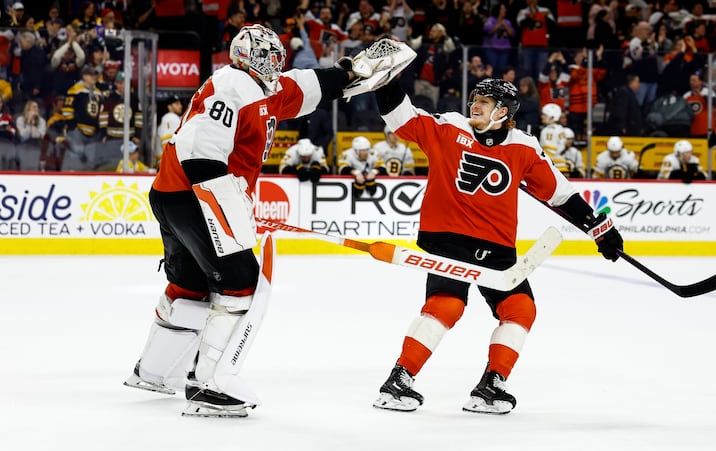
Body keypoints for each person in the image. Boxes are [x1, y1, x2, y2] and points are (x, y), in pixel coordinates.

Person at [123, 24, 372, 417]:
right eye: (268, 56)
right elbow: (200, 150)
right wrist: (228, 211)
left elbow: (308, 85)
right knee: (241, 280)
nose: (275, 62)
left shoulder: (267, 90)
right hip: (195, 191)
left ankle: (154, 370)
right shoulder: (232, 83)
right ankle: (209, 383)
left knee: (190, 283)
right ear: (248, 57)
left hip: (176, 191)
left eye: (278, 55)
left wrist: (348, 73)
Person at [370, 77, 624, 414]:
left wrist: (600, 228)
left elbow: (559, 193)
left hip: (497, 248)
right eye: (475, 99)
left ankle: (491, 385)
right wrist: (387, 79)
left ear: (503, 111)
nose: (474, 105)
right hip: (451, 241)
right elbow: (401, 117)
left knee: (520, 309)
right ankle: (399, 380)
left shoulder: (524, 145)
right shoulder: (449, 127)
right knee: (446, 306)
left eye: (484, 102)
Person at [538, 103, 569, 173]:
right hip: (557, 165)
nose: (542, 117)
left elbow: (553, 150)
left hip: (554, 166)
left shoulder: (551, 130)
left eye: (544, 115)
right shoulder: (559, 129)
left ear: (552, 117)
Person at [154, 95, 184, 166]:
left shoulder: (169, 118)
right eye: (176, 104)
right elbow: (166, 142)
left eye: (180, 104)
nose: (180, 106)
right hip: (168, 161)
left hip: (165, 160)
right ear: (169, 106)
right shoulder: (171, 117)